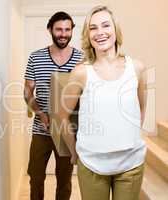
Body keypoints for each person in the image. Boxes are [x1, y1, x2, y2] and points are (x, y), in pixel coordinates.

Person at [59, 5, 147, 200]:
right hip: (92, 165)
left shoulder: (137, 68)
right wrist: (74, 152)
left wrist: (127, 136)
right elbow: (63, 116)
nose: (100, 32)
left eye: (105, 25)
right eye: (93, 28)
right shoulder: (81, 72)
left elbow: (140, 109)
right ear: (87, 35)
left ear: (115, 29)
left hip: (130, 164)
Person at [23, 11, 83, 200]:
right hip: (42, 129)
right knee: (36, 176)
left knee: (64, 179)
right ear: (50, 29)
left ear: (72, 31)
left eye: (67, 29)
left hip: (68, 130)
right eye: (59, 29)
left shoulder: (81, 59)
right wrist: (40, 113)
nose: (63, 34)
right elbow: (27, 92)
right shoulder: (36, 57)